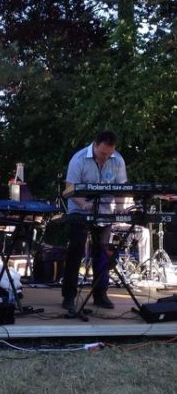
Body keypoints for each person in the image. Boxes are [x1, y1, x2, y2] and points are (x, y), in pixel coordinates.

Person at [62, 130, 127, 312]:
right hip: (79, 211)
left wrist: (120, 206)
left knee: (102, 252)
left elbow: (121, 188)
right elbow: (69, 189)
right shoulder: (78, 159)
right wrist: (84, 204)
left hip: (104, 211)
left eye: (109, 154)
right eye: (102, 153)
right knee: (76, 251)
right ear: (95, 145)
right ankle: (69, 296)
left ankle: (100, 295)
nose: (105, 158)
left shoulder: (118, 160)